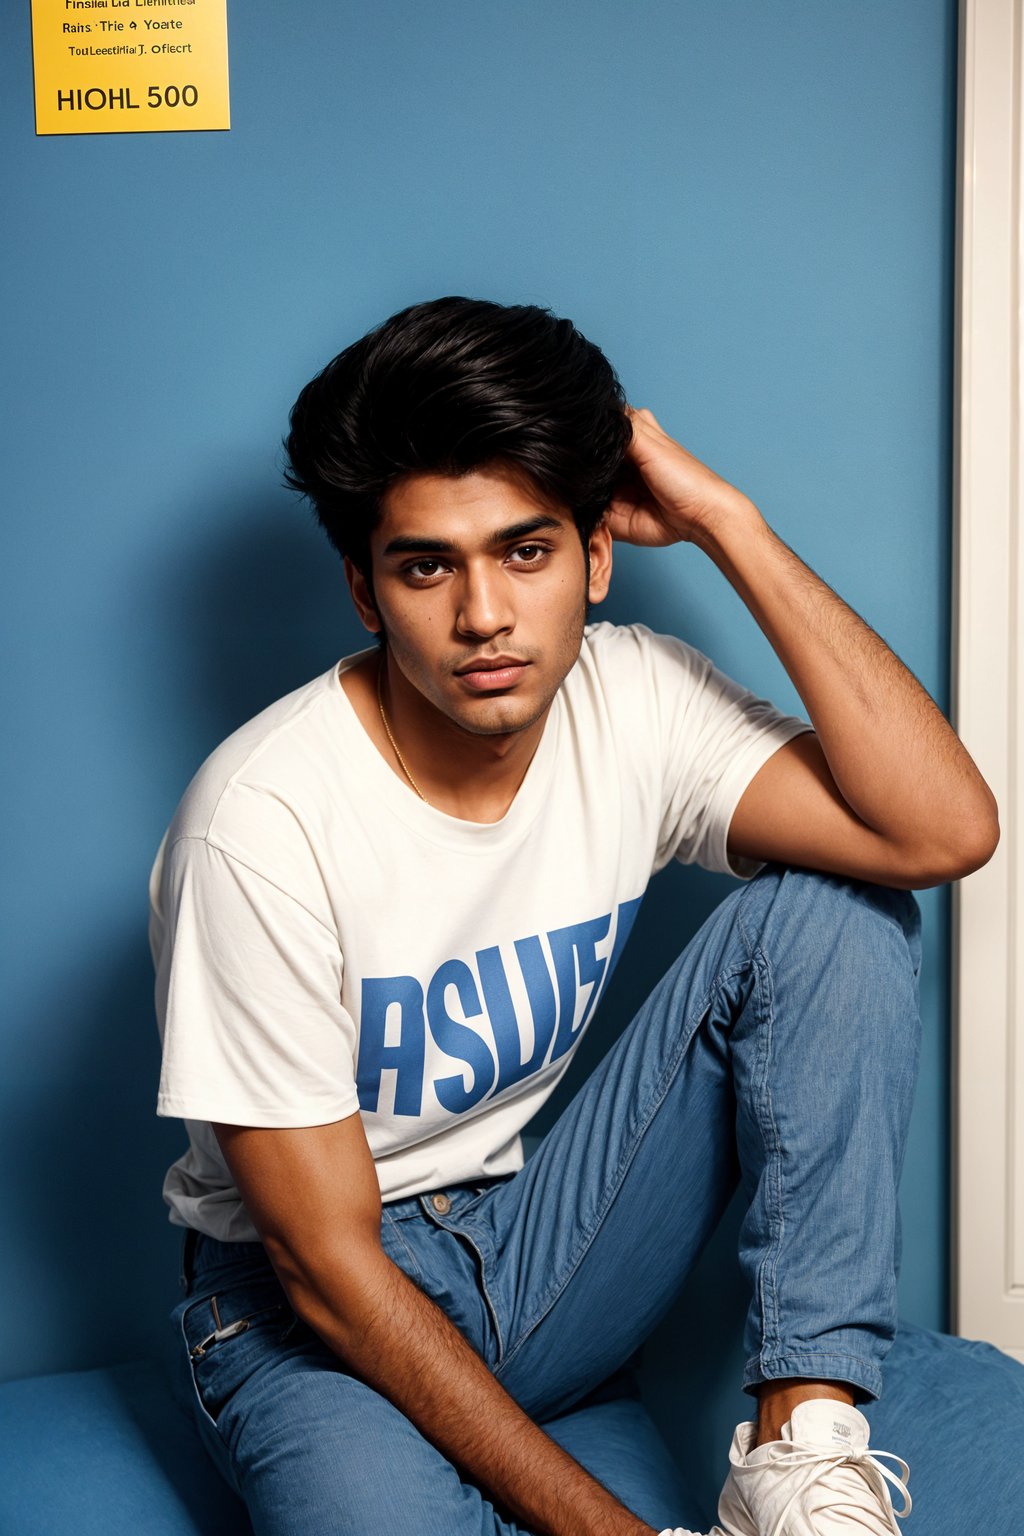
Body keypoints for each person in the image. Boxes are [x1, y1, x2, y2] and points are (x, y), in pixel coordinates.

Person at [151, 295, 1000, 1536]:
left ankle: (802, 1455)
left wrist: (727, 524)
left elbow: (936, 833)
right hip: (306, 1313)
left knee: (840, 902)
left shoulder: (634, 700)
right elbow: (326, 1272)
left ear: (597, 556)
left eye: (527, 551)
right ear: (364, 588)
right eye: (426, 564)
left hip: (533, 1248)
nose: (484, 615)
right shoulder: (259, 823)